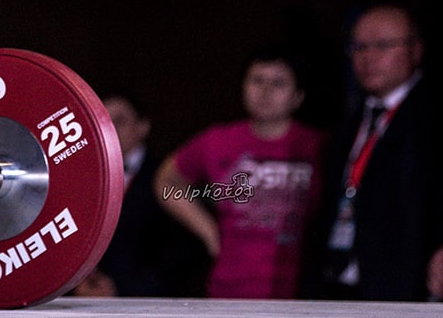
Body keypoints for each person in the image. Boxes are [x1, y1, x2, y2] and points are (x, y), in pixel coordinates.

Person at [154, 48, 323, 299]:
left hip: (301, 289)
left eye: (278, 83)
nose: (265, 91)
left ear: (298, 96)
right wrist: (209, 232)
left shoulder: (318, 146)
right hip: (230, 286)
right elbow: (167, 182)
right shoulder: (218, 141)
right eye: (257, 80)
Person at [316, 3, 443, 301]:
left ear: (415, 50)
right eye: (359, 47)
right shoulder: (350, 120)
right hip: (343, 280)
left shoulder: (432, 115)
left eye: (383, 46)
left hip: (408, 286)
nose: (368, 57)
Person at [74, 93, 203, 297]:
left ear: (143, 126)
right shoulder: (80, 178)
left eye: (120, 121)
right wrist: (77, 284)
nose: (111, 129)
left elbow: (182, 254)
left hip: (147, 302)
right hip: (86, 300)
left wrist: (122, 290)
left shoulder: (165, 179)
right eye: (103, 121)